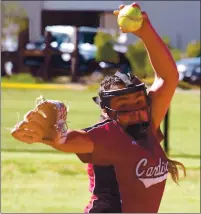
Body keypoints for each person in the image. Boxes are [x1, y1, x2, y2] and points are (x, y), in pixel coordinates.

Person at [11, 3, 186, 213]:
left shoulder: (148, 125)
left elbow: (169, 77)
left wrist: (145, 31)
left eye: (139, 102)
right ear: (107, 112)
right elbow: (74, 141)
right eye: (124, 106)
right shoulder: (109, 135)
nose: (134, 110)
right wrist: (54, 137)